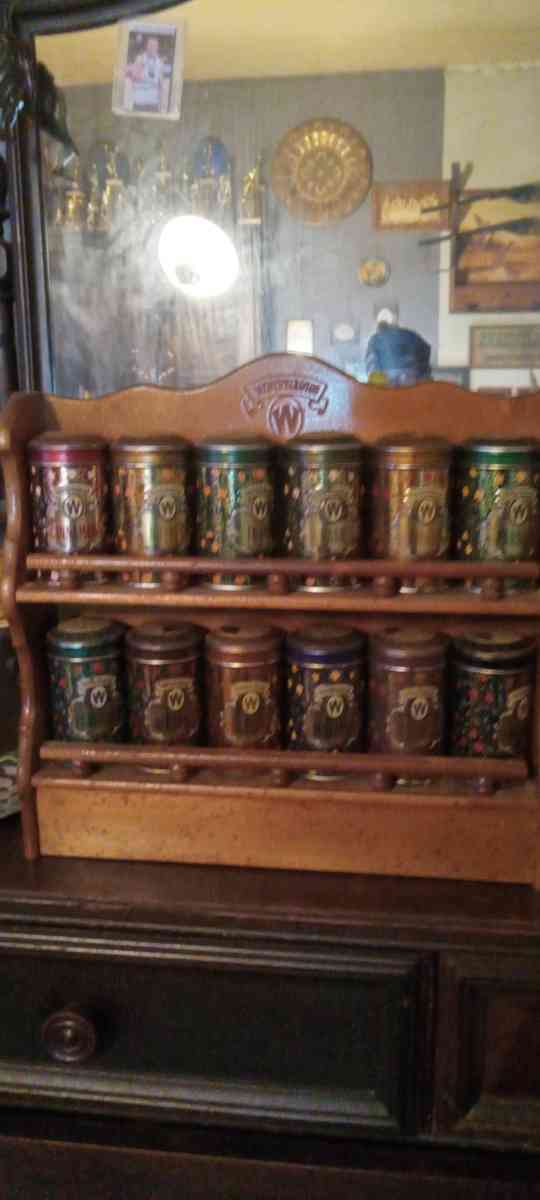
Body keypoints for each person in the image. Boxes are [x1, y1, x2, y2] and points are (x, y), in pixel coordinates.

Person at [365, 313, 431, 385]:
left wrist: (375, 383)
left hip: (387, 379)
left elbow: (371, 363)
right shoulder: (410, 334)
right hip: (411, 376)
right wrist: (423, 374)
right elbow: (426, 349)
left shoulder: (375, 339)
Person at [126, 36, 169, 114]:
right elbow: (134, 78)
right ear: (147, 46)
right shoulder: (139, 59)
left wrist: (162, 104)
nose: (153, 48)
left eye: (155, 46)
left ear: (157, 47)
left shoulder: (159, 62)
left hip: (153, 104)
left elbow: (161, 84)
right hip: (139, 102)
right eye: (150, 45)